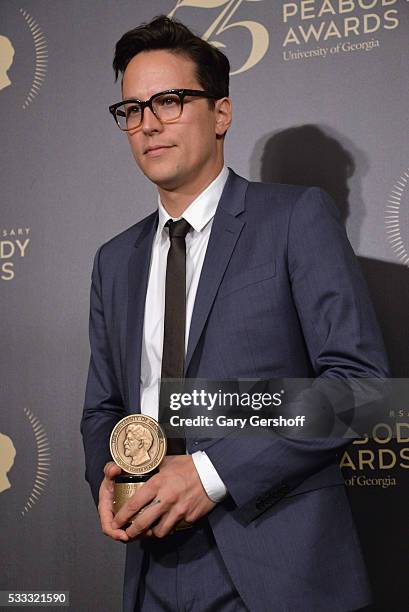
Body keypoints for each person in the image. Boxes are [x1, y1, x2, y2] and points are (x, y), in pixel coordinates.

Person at [81, 15, 389, 612]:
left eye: (169, 101)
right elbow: (103, 408)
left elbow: (361, 388)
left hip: (280, 566)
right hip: (150, 570)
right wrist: (110, 479)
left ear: (221, 113)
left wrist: (210, 473)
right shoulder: (114, 260)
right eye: (132, 110)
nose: (148, 124)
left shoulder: (295, 218)